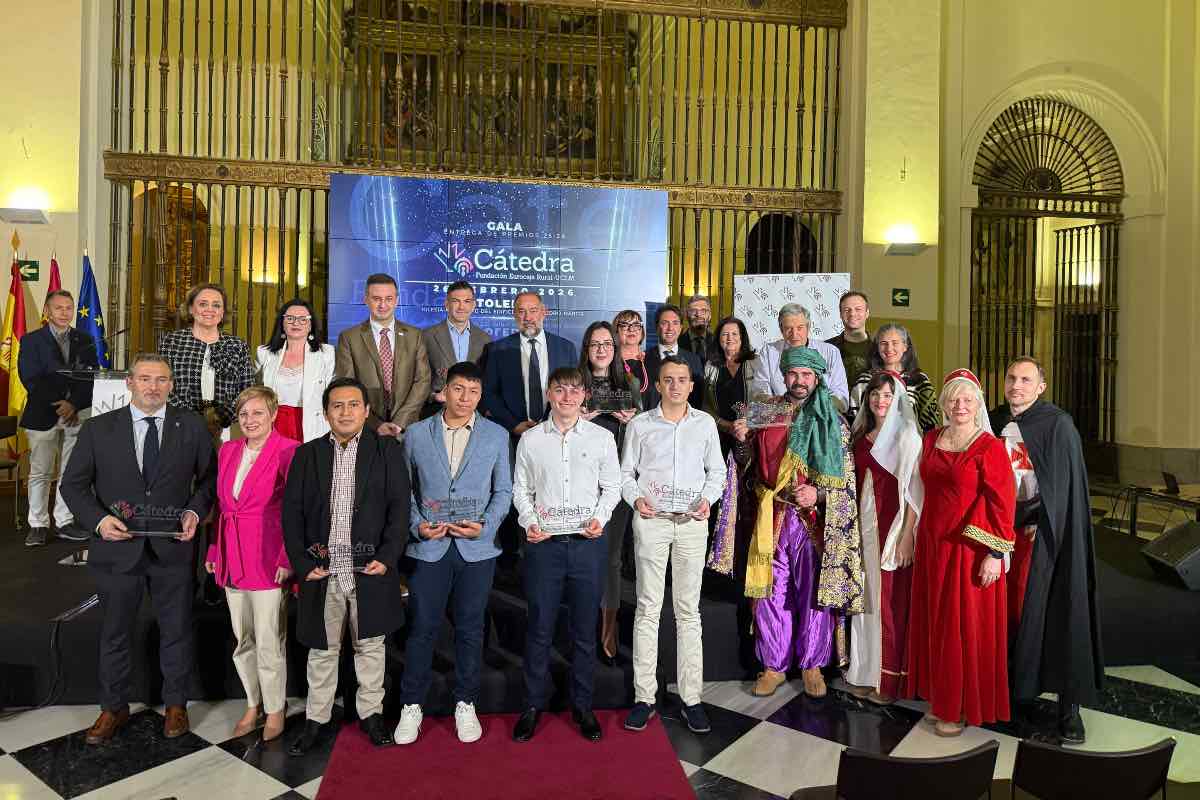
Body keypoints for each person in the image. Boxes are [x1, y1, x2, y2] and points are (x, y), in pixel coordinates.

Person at [59, 353, 217, 744]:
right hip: (116, 550)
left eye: (162, 380)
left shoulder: (191, 426)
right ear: (129, 383)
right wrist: (98, 521)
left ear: (172, 385)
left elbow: (211, 481)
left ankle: (176, 703)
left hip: (174, 550)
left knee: (177, 629)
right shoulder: (98, 429)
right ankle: (113, 707)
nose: (153, 387)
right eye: (145, 379)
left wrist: (195, 512)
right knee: (115, 632)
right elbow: (73, 486)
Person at [283, 377, 410, 754]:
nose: (346, 412)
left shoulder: (386, 452)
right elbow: (291, 515)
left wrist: (387, 559)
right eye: (337, 405)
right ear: (326, 413)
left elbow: (400, 510)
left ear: (367, 411)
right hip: (323, 571)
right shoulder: (307, 455)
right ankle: (316, 719)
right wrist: (304, 564)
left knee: (371, 646)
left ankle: (371, 715)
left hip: (369, 570)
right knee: (322, 652)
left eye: (354, 404)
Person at [731, 347, 862, 700]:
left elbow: (846, 477)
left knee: (813, 594)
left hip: (813, 521)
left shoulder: (833, 421)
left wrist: (817, 494)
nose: (799, 381)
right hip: (771, 514)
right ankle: (773, 665)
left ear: (817, 377)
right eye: (793, 374)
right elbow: (746, 463)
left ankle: (812, 665)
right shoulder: (766, 410)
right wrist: (742, 440)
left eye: (806, 375)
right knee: (771, 592)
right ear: (784, 375)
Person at [394, 361, 512, 746]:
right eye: (459, 390)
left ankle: (466, 702)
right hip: (429, 545)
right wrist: (417, 526)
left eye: (474, 392)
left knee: (470, 628)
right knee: (423, 627)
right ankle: (411, 705)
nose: (466, 399)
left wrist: (487, 525)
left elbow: (503, 492)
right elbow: (405, 491)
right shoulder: (415, 434)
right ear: (445, 390)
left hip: (477, 548)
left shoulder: (495, 436)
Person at [989, 357, 1103, 744]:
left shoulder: (1058, 424)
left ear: (1041, 386)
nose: (1016, 385)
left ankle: (1070, 706)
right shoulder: (993, 419)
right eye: (1011, 378)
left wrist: (1023, 517)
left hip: (1046, 536)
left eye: (1026, 379)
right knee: (1009, 617)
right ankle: (1012, 691)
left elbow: (1061, 489)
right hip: (1003, 533)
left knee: (1058, 612)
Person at [512, 367, 622, 744]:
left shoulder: (602, 437)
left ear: (584, 395)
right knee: (539, 628)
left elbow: (613, 488)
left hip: (588, 545)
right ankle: (530, 705)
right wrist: (528, 520)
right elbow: (520, 489)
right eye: (560, 390)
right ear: (548, 394)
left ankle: (583, 705)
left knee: (583, 632)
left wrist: (599, 518)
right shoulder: (530, 440)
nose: (567, 397)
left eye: (575, 391)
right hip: (545, 547)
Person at [906, 369, 1016, 736]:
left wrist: (995, 554)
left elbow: (1003, 503)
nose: (960, 405)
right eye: (954, 398)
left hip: (970, 549)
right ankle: (941, 697)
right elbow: (916, 491)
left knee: (962, 625)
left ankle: (960, 705)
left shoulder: (989, 447)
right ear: (943, 403)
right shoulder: (931, 438)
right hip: (933, 543)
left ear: (978, 404)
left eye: (968, 399)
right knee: (937, 621)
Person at [620, 357, 725, 735]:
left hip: (692, 524)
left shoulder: (705, 424)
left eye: (682, 380)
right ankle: (644, 697)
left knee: (688, 611)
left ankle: (691, 698)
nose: (676, 386)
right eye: (669, 380)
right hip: (651, 522)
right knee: (648, 608)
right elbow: (625, 474)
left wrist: (707, 500)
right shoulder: (640, 425)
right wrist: (636, 500)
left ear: (691, 386)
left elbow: (718, 472)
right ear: (659, 385)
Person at [205, 386, 298, 741]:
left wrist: (289, 557)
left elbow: (296, 510)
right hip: (231, 555)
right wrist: (214, 551)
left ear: (273, 415)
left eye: (258, 413)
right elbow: (219, 507)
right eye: (244, 414)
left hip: (267, 557)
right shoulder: (228, 450)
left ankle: (275, 709)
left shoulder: (289, 451)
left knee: (269, 638)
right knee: (242, 638)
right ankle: (252, 702)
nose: (250, 420)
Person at [845, 371, 923, 705]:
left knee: (891, 604)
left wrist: (907, 536)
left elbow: (915, 492)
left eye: (888, 395)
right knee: (866, 602)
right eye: (875, 394)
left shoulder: (906, 437)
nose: (880, 400)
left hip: (891, 531)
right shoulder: (861, 434)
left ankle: (890, 680)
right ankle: (865, 672)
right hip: (863, 530)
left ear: (899, 399)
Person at [578, 321, 641, 665]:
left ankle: (608, 631)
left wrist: (632, 422)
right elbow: (549, 426)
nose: (601, 349)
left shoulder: (629, 385)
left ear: (615, 350)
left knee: (613, 558)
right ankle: (582, 628)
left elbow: (646, 436)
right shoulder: (574, 385)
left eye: (607, 344)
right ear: (586, 349)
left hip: (614, 486)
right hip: (577, 487)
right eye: (594, 344)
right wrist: (576, 421)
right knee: (582, 557)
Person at [18, 289, 98, 545]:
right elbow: (31, 378)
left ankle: (64, 521)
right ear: (47, 311)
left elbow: (90, 377)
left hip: (76, 414)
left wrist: (73, 404)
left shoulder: (84, 339)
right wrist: (60, 405)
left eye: (68, 308)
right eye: (58, 308)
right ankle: (38, 524)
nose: (64, 313)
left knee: (70, 472)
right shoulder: (31, 341)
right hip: (43, 415)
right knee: (40, 472)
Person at [334, 273, 431, 438]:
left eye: (388, 298)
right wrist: (376, 424)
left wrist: (400, 421)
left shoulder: (415, 335)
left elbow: (423, 381)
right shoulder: (349, 337)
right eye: (376, 299)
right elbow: (348, 387)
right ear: (366, 299)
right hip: (366, 428)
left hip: (406, 428)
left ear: (397, 300)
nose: (383, 305)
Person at [158, 282, 255, 436]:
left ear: (223, 312)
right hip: (180, 426)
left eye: (216, 305)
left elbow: (247, 389)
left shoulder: (237, 345)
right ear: (190, 309)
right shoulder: (172, 342)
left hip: (226, 428)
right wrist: (189, 418)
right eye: (203, 304)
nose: (210, 309)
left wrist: (223, 417)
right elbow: (162, 384)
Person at [482, 290, 578, 435]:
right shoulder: (497, 350)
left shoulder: (566, 348)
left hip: (557, 432)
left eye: (533, 310)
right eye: (521, 311)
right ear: (514, 314)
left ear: (544, 312)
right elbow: (489, 393)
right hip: (513, 434)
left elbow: (574, 390)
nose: (527, 317)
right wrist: (513, 425)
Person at [256, 299, 337, 442]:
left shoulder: (326, 354)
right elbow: (253, 392)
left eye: (303, 319)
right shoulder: (265, 353)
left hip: (310, 424)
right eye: (290, 318)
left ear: (311, 324)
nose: (296, 323)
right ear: (282, 323)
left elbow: (333, 393)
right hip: (273, 423)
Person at [749, 303, 849, 409]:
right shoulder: (769, 352)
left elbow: (841, 397)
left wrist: (815, 407)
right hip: (781, 415)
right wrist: (772, 402)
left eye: (800, 328)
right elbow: (759, 390)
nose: (794, 334)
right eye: (788, 328)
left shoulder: (830, 352)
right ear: (781, 329)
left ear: (808, 327)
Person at [847, 324, 939, 432]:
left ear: (905, 346)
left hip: (909, 446)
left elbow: (930, 424)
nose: (889, 348)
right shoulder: (865, 381)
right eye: (883, 343)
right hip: (869, 445)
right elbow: (852, 421)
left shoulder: (919, 380)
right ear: (877, 347)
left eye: (895, 343)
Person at [420, 280, 491, 418]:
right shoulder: (426, 336)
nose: (461, 306)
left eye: (467, 301)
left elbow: (486, 381)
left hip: (473, 413)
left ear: (473, 305)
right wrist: (434, 396)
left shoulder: (485, 339)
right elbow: (416, 377)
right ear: (447, 304)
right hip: (435, 411)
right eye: (456, 301)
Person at [703, 316, 757, 457]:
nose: (729, 338)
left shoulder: (756, 363)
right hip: (719, 436)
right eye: (725, 334)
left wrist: (747, 424)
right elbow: (706, 406)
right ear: (718, 338)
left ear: (742, 337)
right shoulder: (710, 366)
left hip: (750, 435)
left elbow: (765, 399)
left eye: (734, 334)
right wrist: (727, 426)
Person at [641, 304, 705, 410]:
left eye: (675, 323)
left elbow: (698, 399)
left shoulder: (694, 360)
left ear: (680, 328)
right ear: (657, 328)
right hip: (650, 422)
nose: (670, 328)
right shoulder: (643, 359)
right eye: (665, 323)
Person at [826, 291, 872, 388]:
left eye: (858, 309)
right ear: (840, 314)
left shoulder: (880, 349)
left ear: (867, 313)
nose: (852, 314)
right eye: (847, 310)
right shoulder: (826, 348)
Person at [613, 309, 650, 402]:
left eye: (636, 325)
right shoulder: (609, 362)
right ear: (616, 332)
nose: (631, 329)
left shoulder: (653, 360)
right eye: (624, 325)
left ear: (642, 332)